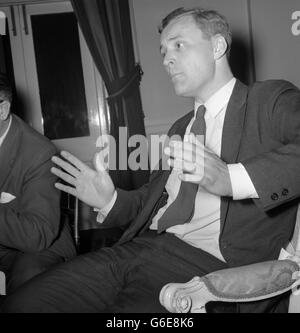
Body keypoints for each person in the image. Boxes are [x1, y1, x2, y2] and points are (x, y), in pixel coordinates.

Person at [1, 7, 300, 313]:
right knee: (20, 306)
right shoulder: (180, 127)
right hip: (141, 249)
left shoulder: (268, 101)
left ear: (217, 46)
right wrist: (110, 200)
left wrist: (230, 178)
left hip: (209, 272)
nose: (166, 59)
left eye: (178, 45)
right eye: (163, 51)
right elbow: (153, 202)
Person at [0, 74, 76, 294]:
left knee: (28, 283)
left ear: (2, 110)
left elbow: (38, 234)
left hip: (39, 245)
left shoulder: (39, 153)